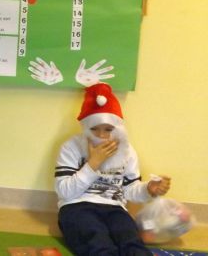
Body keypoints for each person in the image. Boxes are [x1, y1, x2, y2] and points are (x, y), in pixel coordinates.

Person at [55, 83, 171, 256]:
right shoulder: (72, 147)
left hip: (114, 207)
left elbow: (130, 190)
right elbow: (64, 192)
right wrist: (93, 163)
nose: (102, 136)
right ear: (86, 128)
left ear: (118, 129)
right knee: (98, 243)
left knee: (131, 242)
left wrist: (148, 189)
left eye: (108, 130)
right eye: (94, 130)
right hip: (76, 206)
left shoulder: (127, 151)